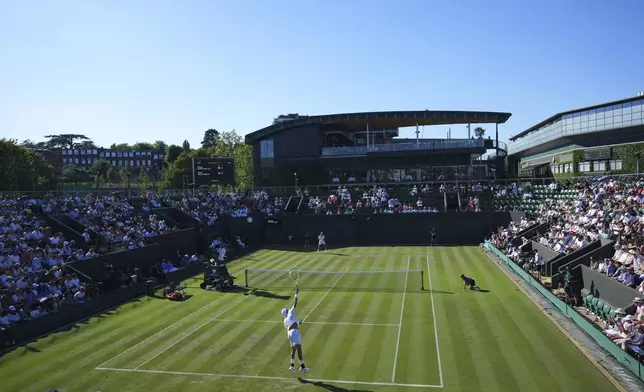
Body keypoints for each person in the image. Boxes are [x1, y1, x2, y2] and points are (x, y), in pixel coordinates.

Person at [281, 284, 309, 373]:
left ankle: (292, 366)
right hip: (294, 332)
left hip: (289, 334)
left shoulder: (285, 320)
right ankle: (302, 367)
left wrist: (298, 323)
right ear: (286, 311)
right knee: (299, 349)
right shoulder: (290, 311)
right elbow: (295, 302)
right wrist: (296, 293)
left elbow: (292, 325)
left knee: (294, 349)